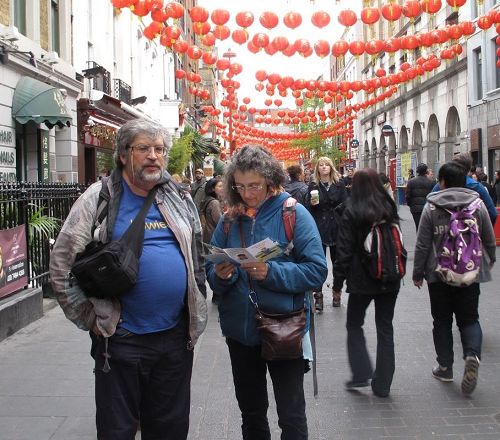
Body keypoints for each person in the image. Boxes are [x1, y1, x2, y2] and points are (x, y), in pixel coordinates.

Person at [49, 119, 208, 440]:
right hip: (121, 341)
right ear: (124, 154)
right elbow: (61, 262)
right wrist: (90, 319)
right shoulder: (99, 198)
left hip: (174, 340)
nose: (153, 156)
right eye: (144, 148)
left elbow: (197, 254)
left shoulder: (180, 197)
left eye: (159, 149)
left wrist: (198, 305)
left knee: (170, 429)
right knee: (117, 430)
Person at [206, 145, 327, 440]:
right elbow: (211, 273)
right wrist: (221, 275)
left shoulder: (293, 213)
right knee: (251, 413)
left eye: (255, 186)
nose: (248, 193)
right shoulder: (230, 218)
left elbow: (316, 270)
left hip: (284, 328)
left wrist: (271, 273)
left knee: (291, 415)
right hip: (241, 333)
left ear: (270, 179)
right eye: (241, 186)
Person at [413, 161, 496, 396]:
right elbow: (489, 236)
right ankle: (471, 354)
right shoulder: (477, 204)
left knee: (441, 321)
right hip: (470, 272)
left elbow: (421, 244)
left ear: (443, 182)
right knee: (469, 319)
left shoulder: (431, 206)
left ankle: (445, 367)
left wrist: (418, 273)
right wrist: (490, 258)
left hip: (438, 273)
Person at [332, 168, 402, 398]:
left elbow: (343, 250)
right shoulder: (389, 206)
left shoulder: (351, 210)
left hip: (362, 280)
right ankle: (383, 384)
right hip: (389, 277)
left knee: (354, 324)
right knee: (385, 328)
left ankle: (361, 372)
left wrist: (338, 284)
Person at [305, 156, 347, 310]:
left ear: (331, 167)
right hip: (319, 227)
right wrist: (312, 203)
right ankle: (318, 296)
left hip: (337, 227)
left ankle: (337, 293)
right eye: (321, 165)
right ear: (317, 169)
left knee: (338, 263)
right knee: (318, 262)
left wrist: (339, 213)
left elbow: (346, 203)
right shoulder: (313, 185)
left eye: (326, 165)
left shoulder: (339, 184)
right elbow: (309, 208)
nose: (323, 167)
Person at [431, 153, 497, 225]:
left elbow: (430, 209)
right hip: (472, 232)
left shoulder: (440, 185)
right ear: (469, 168)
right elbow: (492, 213)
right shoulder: (476, 187)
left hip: (443, 231)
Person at [406, 163, 435, 230]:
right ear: (426, 171)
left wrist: (410, 204)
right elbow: (433, 194)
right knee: (428, 227)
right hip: (428, 208)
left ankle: (419, 239)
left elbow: (408, 195)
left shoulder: (411, 182)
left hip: (415, 208)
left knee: (418, 226)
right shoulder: (431, 182)